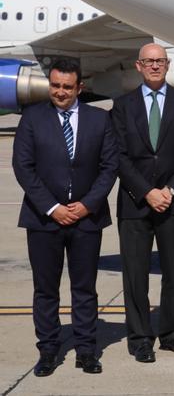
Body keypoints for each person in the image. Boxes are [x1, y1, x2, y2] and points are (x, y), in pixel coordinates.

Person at [13, 57, 118, 377]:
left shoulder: (99, 120)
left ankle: (86, 350)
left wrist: (87, 204)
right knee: (45, 289)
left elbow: (109, 166)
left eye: (67, 87)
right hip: (43, 220)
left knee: (84, 288)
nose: (60, 92)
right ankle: (48, 349)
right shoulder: (32, 118)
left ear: (79, 87)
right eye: (55, 85)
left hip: (87, 218)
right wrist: (52, 208)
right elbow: (24, 168)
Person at [109, 43, 174, 363]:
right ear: (138, 66)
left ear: (168, 64)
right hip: (135, 203)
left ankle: (170, 333)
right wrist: (147, 191)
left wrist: (170, 189)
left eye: (159, 61)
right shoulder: (122, 106)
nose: (154, 66)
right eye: (148, 62)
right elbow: (117, 155)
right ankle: (139, 337)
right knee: (135, 274)